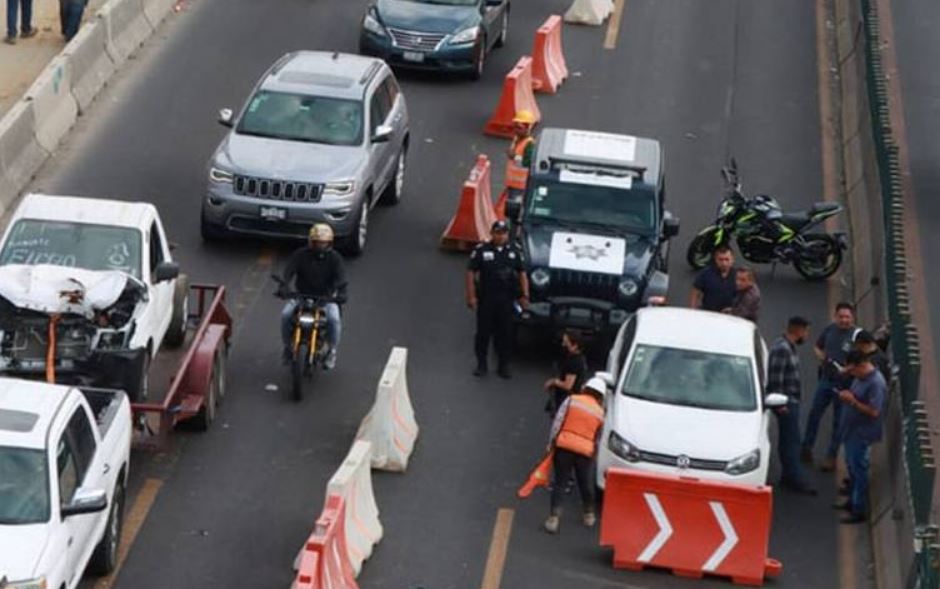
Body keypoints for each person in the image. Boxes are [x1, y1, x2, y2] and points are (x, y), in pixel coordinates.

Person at [466, 220, 529, 379]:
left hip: (507, 300)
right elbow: (471, 272)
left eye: (503, 233)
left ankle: (504, 365)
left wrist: (524, 295)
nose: (500, 236)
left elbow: (522, 274)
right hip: (487, 298)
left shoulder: (514, 251)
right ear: (491, 233)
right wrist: (471, 296)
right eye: (497, 233)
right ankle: (481, 364)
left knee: (505, 334)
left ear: (507, 235)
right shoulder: (482, 250)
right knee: (483, 333)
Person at [544, 377, 606, 534]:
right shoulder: (600, 412)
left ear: (586, 389)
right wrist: (595, 454)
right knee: (585, 483)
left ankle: (554, 519)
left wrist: (551, 442)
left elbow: (558, 421)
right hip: (585, 452)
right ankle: (589, 515)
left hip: (564, 446)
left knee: (560, 483)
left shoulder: (572, 400)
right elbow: (599, 436)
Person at [802, 302, 860, 471]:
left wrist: (846, 369)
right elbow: (817, 347)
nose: (844, 320)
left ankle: (831, 456)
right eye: (841, 317)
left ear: (852, 318)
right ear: (836, 317)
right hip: (826, 380)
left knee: (838, 422)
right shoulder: (830, 330)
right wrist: (823, 358)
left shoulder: (857, 336)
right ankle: (807, 447)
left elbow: (862, 361)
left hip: (845, 386)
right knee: (814, 413)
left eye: (847, 317)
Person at [280, 224, 347, 370]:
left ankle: (332, 351)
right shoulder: (300, 255)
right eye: (318, 242)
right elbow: (289, 271)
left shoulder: (335, 259)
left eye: (324, 243)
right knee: (285, 315)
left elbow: (341, 278)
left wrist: (342, 293)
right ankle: (287, 347)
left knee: (334, 319)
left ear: (329, 243)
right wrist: (284, 286)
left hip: (326, 299)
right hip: (301, 296)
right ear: (311, 242)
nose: (321, 246)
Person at [834, 350, 886, 524]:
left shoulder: (875, 384)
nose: (851, 374)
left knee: (859, 470)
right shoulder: (861, 378)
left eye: (853, 371)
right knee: (852, 468)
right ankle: (851, 501)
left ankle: (858, 509)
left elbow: (874, 411)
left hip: (861, 434)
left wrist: (852, 401)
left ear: (862, 366)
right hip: (851, 430)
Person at [768, 316, 817, 495]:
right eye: (806, 331)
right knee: (791, 441)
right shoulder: (782, 349)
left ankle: (788, 475)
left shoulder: (788, 347)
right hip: (786, 402)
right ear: (798, 330)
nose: (807, 335)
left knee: (789, 439)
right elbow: (776, 377)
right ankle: (795, 477)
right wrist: (780, 403)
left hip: (789, 401)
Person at [543, 330, 588, 416]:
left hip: (567, 401)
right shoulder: (580, 359)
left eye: (566, 342)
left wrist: (553, 382)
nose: (563, 345)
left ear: (575, 346)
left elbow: (568, 385)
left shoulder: (574, 362)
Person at [503, 110, 537, 222]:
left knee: (515, 212)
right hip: (513, 183)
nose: (516, 130)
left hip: (520, 186)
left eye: (519, 127)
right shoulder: (517, 139)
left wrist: (514, 157)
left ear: (527, 128)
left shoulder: (530, 144)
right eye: (515, 127)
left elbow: (528, 163)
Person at [689, 245, 736, 312]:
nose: (724, 263)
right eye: (720, 260)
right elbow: (695, 291)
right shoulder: (706, 274)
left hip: (729, 317)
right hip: (709, 314)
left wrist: (735, 310)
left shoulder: (738, 276)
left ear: (732, 259)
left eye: (727, 259)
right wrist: (692, 311)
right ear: (715, 259)